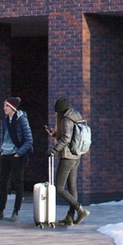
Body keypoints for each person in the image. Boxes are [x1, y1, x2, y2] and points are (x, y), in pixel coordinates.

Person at [0, 97, 33, 222]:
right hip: (5, 154)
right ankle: (0, 210)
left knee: (18, 183)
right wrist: (1, 150)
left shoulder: (21, 119)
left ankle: (16, 212)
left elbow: (29, 140)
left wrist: (19, 153)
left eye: (6, 106)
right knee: (3, 182)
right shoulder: (4, 120)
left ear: (13, 107)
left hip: (16, 155)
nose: (4, 108)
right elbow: (3, 136)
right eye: (4, 106)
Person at [49, 96, 89, 227]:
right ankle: (70, 217)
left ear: (60, 110)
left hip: (67, 156)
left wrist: (54, 149)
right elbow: (70, 135)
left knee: (59, 188)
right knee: (72, 187)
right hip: (76, 155)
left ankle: (80, 210)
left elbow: (66, 138)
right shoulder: (76, 116)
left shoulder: (66, 119)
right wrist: (55, 134)